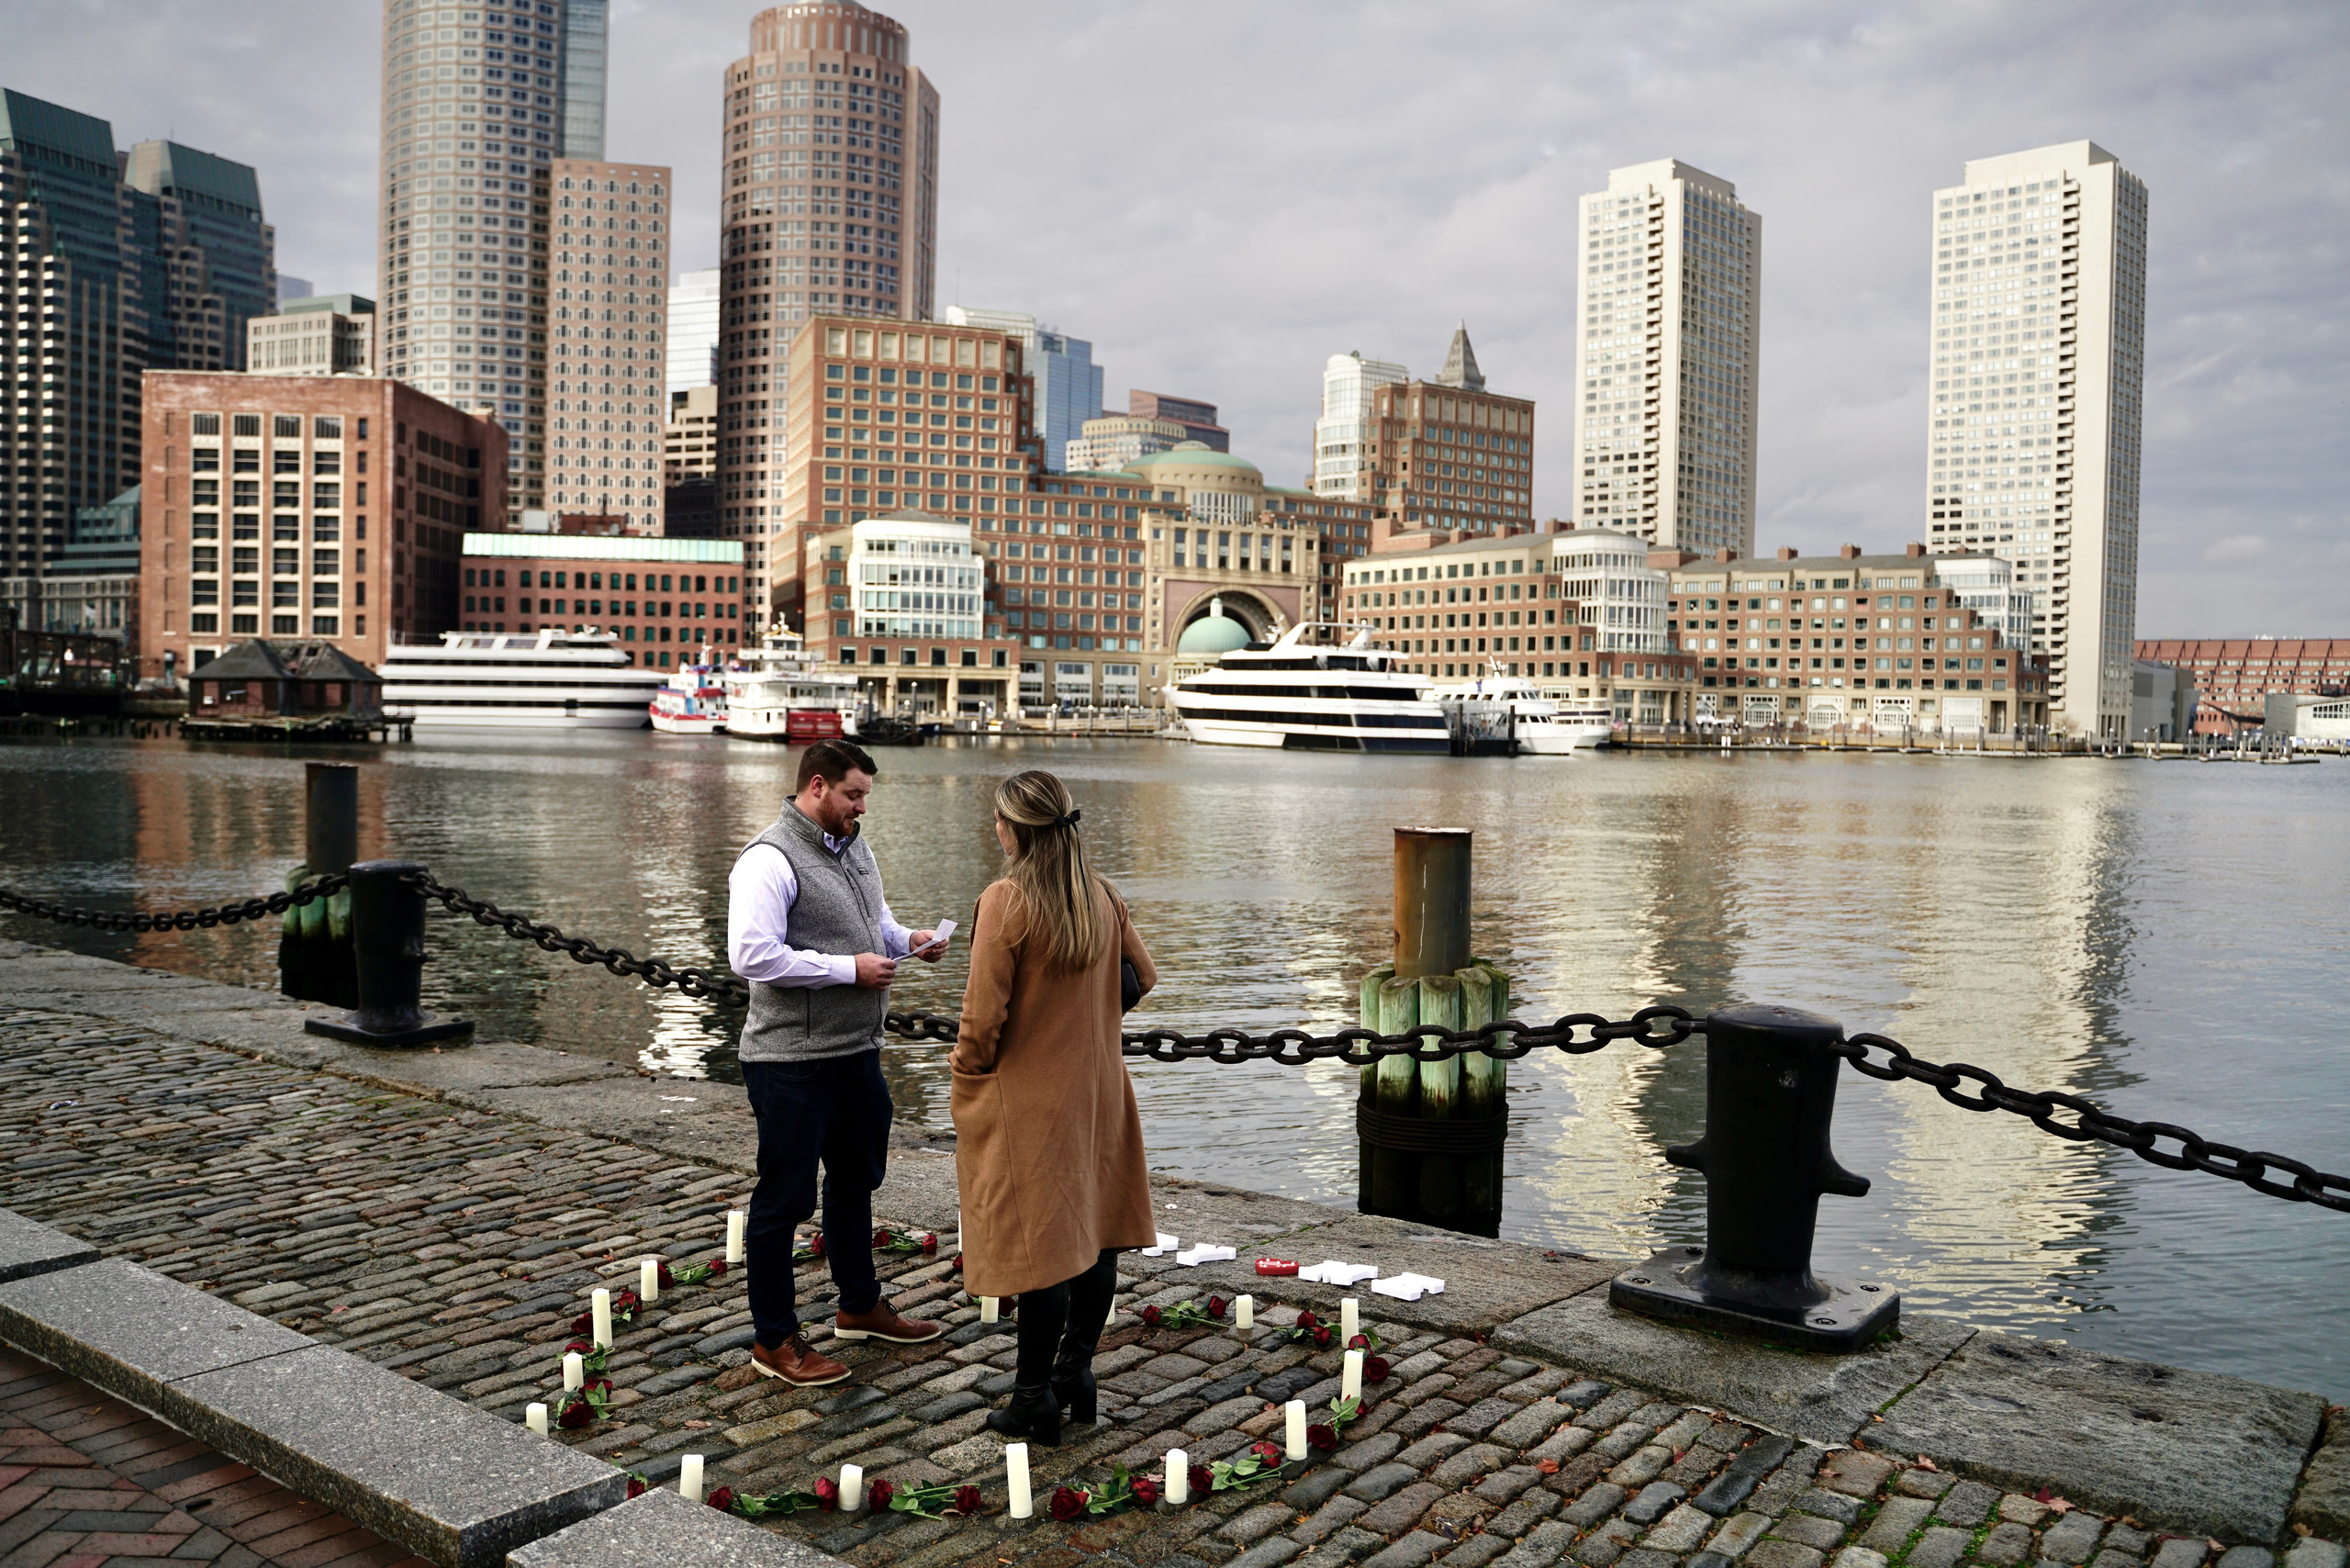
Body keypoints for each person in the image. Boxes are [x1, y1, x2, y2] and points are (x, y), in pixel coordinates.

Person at [728, 737, 948, 1386]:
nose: (861, 808)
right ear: (817, 786)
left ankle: (859, 1307)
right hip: (790, 1061)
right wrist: (846, 970)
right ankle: (774, 1341)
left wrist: (907, 940)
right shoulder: (767, 859)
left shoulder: (854, 847)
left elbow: (873, 922)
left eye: (866, 797)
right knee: (783, 1201)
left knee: (856, 1183)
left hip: (857, 1054)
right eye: (853, 795)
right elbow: (752, 955)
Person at [951, 769, 1158, 1445]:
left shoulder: (1007, 901)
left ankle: (1032, 1396)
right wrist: (1087, 1020)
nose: (994, 831)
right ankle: (1075, 1373)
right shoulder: (1101, 893)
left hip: (1032, 1100)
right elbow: (1143, 977)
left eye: (997, 821)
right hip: (1098, 1089)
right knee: (1093, 1238)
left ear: (1015, 831)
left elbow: (982, 1022)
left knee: (1045, 1249)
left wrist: (969, 1077)